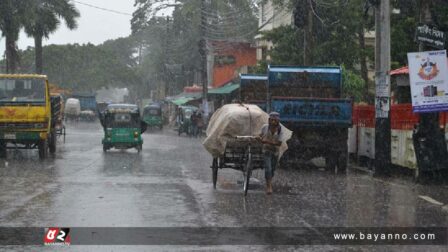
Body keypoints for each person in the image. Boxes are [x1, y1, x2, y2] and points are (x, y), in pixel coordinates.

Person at [258, 112, 282, 195]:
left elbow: (279, 143)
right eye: (271, 120)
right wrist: (259, 138)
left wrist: (267, 141)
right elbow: (260, 135)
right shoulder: (265, 127)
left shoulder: (280, 130)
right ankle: (269, 186)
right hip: (266, 151)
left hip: (275, 152)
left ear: (278, 121)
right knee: (268, 168)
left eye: (275, 120)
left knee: (272, 170)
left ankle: (269, 181)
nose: (273, 122)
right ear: (269, 120)